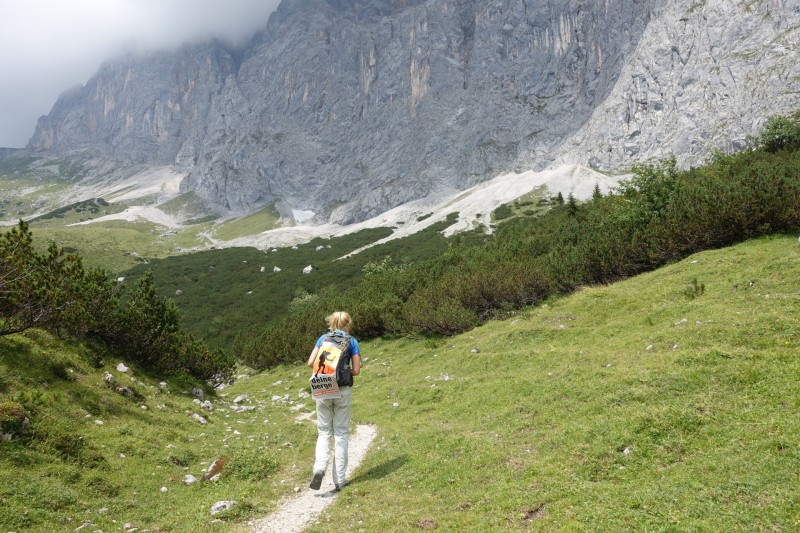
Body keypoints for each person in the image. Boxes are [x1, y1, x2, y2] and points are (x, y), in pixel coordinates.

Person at [307, 311, 361, 491]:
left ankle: (319, 467)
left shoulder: (323, 338)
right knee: (341, 433)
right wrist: (346, 370)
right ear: (348, 324)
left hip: (322, 386)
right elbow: (356, 370)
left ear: (332, 323)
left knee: (324, 432)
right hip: (342, 389)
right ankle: (340, 479)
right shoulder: (351, 341)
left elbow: (310, 362)